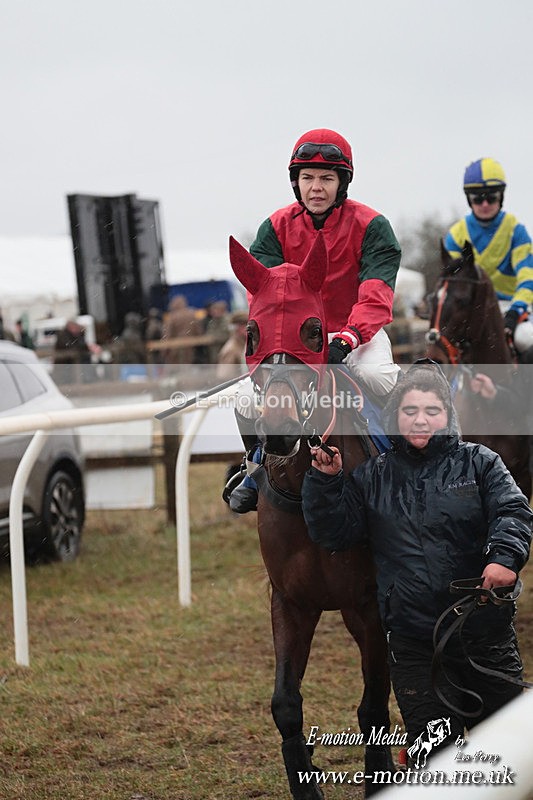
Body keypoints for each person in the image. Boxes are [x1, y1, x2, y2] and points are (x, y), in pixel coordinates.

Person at [302, 361, 532, 759]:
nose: (420, 420)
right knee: (436, 760)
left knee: (508, 755)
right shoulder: (371, 477)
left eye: (431, 411)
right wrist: (325, 482)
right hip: (414, 646)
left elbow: (513, 511)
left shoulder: (480, 462)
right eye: (410, 411)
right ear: (394, 416)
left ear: (447, 415)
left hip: (484, 632)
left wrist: (504, 558)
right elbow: (335, 534)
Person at [227, 127, 402, 512]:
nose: (316, 187)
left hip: (356, 334)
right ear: (296, 182)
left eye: (326, 178)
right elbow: (265, 300)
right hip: (294, 342)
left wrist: (347, 339)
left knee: (379, 376)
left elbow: (376, 294)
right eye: (308, 178)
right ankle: (255, 467)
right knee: (243, 398)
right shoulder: (274, 228)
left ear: (342, 183)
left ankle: (405, 466)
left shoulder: (373, 227)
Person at [444, 157, 533, 362]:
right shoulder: (457, 235)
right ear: (469, 199)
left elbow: (527, 280)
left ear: (501, 197)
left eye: (491, 197)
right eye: (477, 198)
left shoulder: (516, 231)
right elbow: (450, 285)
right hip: (471, 310)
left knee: (526, 339)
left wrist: (515, 311)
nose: (484, 204)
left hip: (511, 307)